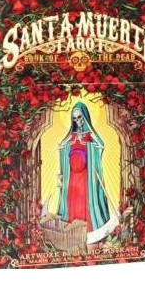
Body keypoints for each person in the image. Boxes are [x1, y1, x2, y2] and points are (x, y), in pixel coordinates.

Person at [57, 101, 117, 244]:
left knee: (85, 202)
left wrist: (90, 146)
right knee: (73, 202)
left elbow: (101, 145)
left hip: (85, 177)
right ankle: (73, 234)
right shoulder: (72, 135)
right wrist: (66, 147)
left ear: (84, 117)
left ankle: (88, 232)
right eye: (74, 118)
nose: (77, 121)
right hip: (72, 178)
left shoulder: (89, 134)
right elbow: (61, 146)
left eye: (79, 117)